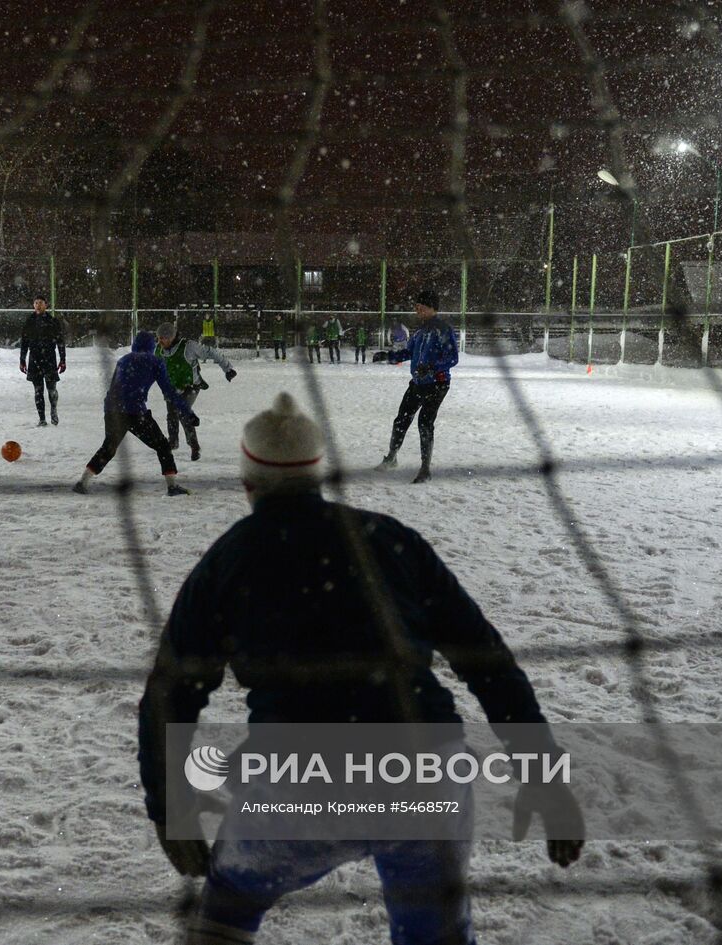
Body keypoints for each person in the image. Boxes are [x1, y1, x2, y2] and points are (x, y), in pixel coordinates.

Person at [137, 392, 583, 945]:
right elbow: (490, 665)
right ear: (317, 476)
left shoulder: (228, 560)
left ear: (248, 483)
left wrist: (169, 806)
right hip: (425, 776)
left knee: (225, 916)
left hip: (303, 787)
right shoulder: (391, 540)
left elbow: (169, 695)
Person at [73, 330, 198, 498]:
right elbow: (170, 392)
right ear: (151, 346)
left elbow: (113, 387)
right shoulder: (155, 362)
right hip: (135, 412)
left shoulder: (123, 360)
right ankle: (172, 486)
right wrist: (187, 412)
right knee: (162, 446)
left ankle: (83, 482)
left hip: (112, 410)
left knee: (108, 448)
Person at [379, 289, 458, 483]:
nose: (418, 311)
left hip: (437, 384)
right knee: (401, 420)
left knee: (424, 422)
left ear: (433, 308)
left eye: (421, 307)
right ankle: (391, 457)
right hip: (417, 383)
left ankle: (425, 469)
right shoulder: (421, 331)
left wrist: (431, 367)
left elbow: (452, 358)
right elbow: (408, 353)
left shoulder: (443, 329)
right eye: (416, 307)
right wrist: (388, 356)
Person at [156, 322, 236, 462]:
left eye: (163, 338)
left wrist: (227, 368)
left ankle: (194, 446)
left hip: (191, 386)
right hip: (172, 388)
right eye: (159, 338)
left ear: (171, 337)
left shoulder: (189, 347)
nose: (160, 341)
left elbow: (211, 352)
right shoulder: (159, 350)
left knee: (183, 412)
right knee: (172, 414)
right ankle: (173, 442)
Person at [19, 295, 66, 426]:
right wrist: (22, 360)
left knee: (52, 389)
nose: (38, 305)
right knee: (38, 390)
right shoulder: (29, 321)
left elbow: (60, 341)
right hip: (34, 359)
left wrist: (63, 359)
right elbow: (24, 342)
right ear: (33, 305)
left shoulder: (53, 321)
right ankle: (42, 419)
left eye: (40, 303)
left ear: (46, 305)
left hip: (49, 359)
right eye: (36, 303)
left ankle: (54, 410)